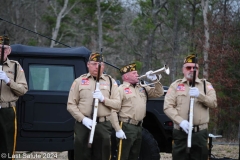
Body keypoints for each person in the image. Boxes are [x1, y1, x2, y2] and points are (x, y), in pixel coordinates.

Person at [67, 52, 121, 160]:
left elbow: (117, 105)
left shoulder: (110, 82)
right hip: (83, 125)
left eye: (100, 64)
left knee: (102, 155)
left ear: (104, 66)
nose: (97, 67)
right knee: (81, 154)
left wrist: (104, 99)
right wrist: (83, 119)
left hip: (103, 125)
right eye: (94, 64)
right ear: (88, 65)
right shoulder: (79, 81)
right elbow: (71, 105)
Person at [163, 54, 217, 160]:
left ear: (198, 70)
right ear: (183, 70)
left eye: (195, 68)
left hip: (199, 134)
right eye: (188, 67)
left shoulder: (206, 86)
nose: (192, 70)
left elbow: (214, 103)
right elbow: (167, 107)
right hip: (181, 132)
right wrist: (180, 121)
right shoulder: (175, 86)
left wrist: (200, 96)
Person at [111, 63, 164, 160]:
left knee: (134, 155)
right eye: (134, 73)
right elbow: (113, 111)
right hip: (126, 125)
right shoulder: (121, 90)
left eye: (136, 72)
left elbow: (159, 93)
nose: (137, 74)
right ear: (126, 76)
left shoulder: (141, 87)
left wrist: (155, 80)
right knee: (123, 155)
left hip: (139, 126)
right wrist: (118, 129)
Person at [0, 35, 28, 158]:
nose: (1, 51)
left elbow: (23, 90)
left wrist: (8, 81)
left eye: (3, 48)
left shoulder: (15, 66)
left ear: (8, 51)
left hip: (7, 109)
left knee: (7, 143)